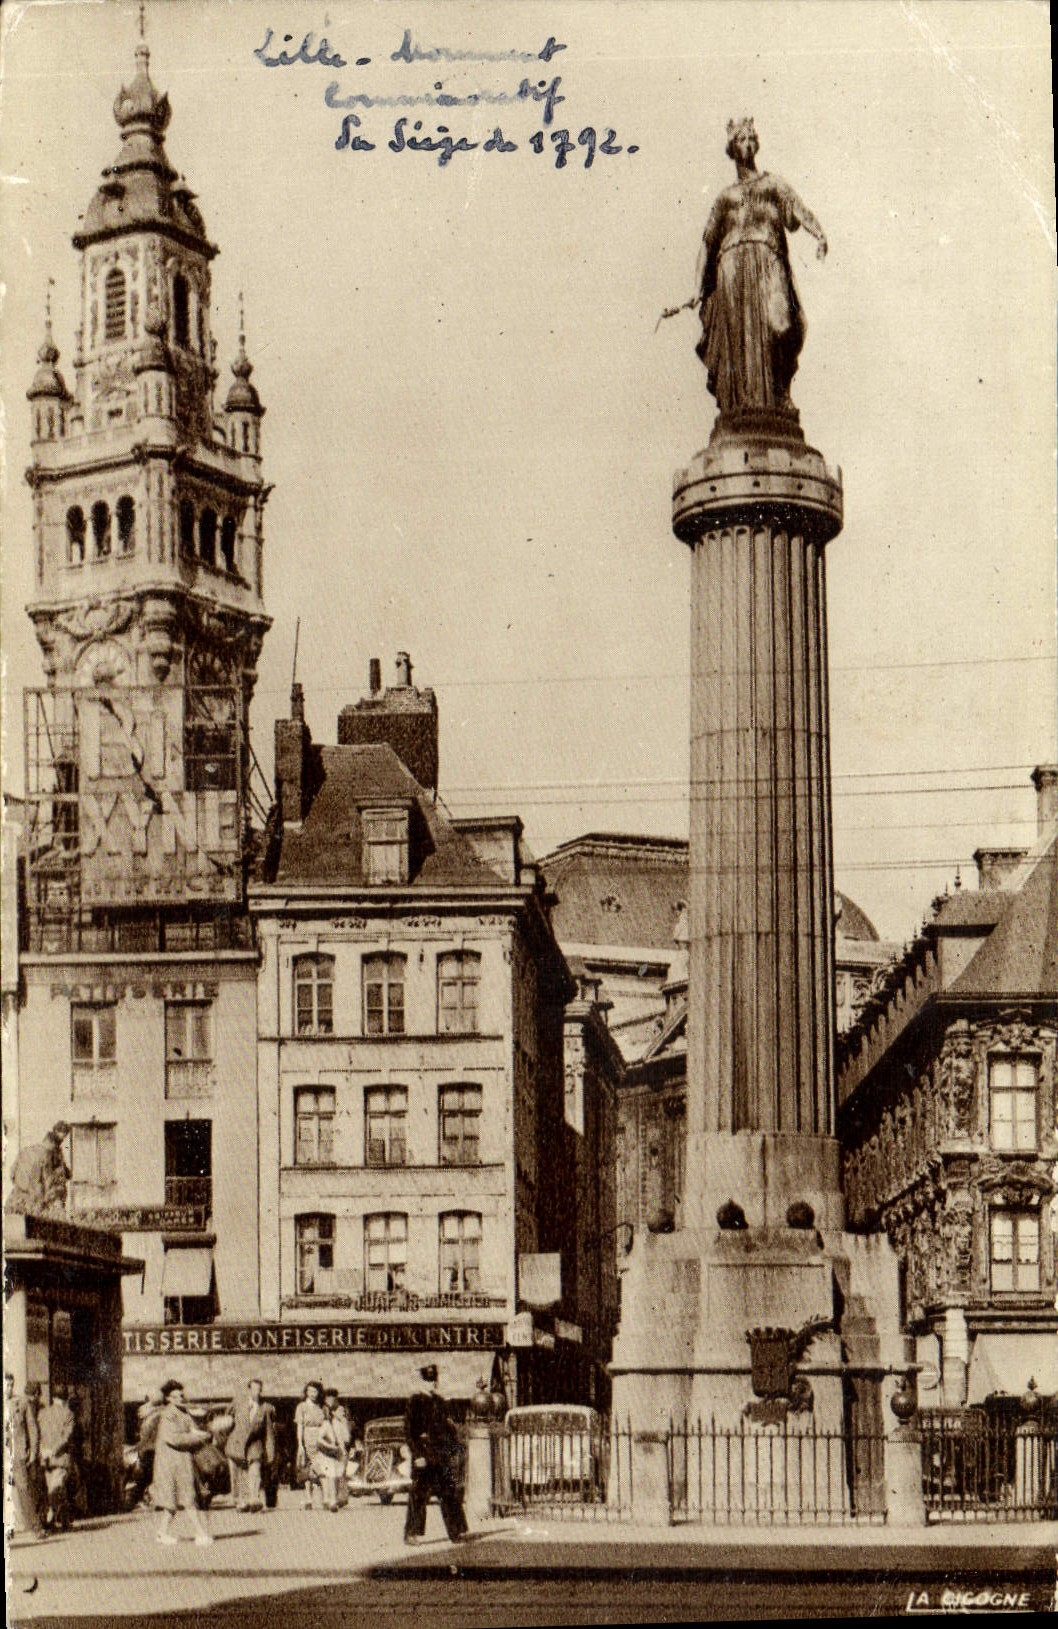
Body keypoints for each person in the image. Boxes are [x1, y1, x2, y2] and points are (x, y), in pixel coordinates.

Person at [694, 117, 828, 419]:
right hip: (732, 267)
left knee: (783, 325)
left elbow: (796, 208)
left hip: (768, 259)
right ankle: (741, 406)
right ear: (732, 147)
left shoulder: (772, 184)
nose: (748, 144)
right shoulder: (725, 198)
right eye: (741, 139)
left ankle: (779, 391)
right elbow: (706, 242)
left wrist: (818, 233)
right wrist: (695, 289)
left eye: (751, 138)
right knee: (738, 342)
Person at [403, 1363, 468, 1544]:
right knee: (418, 1495)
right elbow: (409, 1432)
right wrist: (417, 1455)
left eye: (433, 1380)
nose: (431, 1384)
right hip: (424, 1455)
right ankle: (411, 1533)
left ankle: (456, 1532)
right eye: (428, 1380)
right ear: (422, 1381)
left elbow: (447, 1429)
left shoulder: (440, 1402)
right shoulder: (414, 1401)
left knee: (449, 1493)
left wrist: (452, 1448)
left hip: (440, 1456)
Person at [149, 1379, 213, 1546]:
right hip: (172, 1464)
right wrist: (198, 1438)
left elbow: (191, 1430)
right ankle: (201, 1534)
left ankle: (162, 1533)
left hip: (180, 1462)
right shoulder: (168, 1415)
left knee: (172, 1502)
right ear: (169, 1399)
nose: (180, 1398)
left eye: (181, 1395)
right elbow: (174, 1439)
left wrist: (202, 1434)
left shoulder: (183, 1412)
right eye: (176, 1396)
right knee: (188, 1497)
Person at [224, 1378, 276, 1512]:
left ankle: (254, 1499)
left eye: (259, 1389)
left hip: (255, 1443)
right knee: (239, 1474)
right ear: (248, 1390)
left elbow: (269, 1432)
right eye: (253, 1389)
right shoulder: (237, 1403)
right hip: (237, 1443)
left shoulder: (267, 1408)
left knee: (255, 1471)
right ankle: (242, 1502)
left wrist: (270, 1451)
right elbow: (227, 1421)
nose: (256, 1392)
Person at [4, 1374, 46, 1540]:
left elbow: (33, 1429)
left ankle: (36, 1527)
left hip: (18, 1453)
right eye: (6, 1385)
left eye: (11, 1385)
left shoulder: (21, 1404)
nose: (8, 1388)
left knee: (24, 1489)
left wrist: (33, 1452)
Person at [5, 1123, 71, 1217]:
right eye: (63, 1136)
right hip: (37, 1205)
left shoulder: (25, 1152)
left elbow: (12, 1174)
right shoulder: (50, 1155)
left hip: (16, 1202)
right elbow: (50, 1182)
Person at [38, 1388, 77, 1532]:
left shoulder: (42, 1413)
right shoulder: (68, 1414)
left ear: (53, 1398)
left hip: (46, 1458)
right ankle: (50, 1519)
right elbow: (66, 1437)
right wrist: (54, 1450)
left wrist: (44, 1450)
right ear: (66, 1399)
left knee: (55, 1487)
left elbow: (38, 1434)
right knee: (57, 1488)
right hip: (60, 1457)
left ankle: (64, 1520)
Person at [314, 1390, 351, 1512]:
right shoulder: (327, 1424)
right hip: (329, 1454)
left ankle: (335, 1499)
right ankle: (332, 1501)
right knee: (330, 1476)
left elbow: (347, 1439)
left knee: (337, 1476)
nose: (342, 1413)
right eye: (340, 1411)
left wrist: (344, 1423)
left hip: (340, 1453)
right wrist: (329, 1446)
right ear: (333, 1413)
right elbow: (319, 1438)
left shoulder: (342, 1424)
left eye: (344, 1412)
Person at [293, 1380, 326, 1510]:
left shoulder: (321, 1407)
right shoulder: (301, 1407)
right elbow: (300, 1426)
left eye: (315, 1391)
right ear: (306, 1392)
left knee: (321, 1467)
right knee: (308, 1468)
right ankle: (308, 1498)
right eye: (310, 1391)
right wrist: (300, 1444)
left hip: (321, 1439)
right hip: (308, 1438)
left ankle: (325, 1497)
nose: (313, 1394)